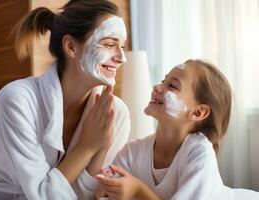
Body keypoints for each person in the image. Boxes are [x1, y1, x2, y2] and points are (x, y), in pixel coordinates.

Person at [0, 0, 130, 199]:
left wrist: (100, 151)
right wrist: (87, 147)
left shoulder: (116, 113)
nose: (122, 57)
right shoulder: (18, 100)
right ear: (71, 46)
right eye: (109, 44)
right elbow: (41, 196)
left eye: (122, 46)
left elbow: (87, 195)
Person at [95, 59, 259, 200]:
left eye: (172, 86)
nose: (157, 87)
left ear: (197, 112)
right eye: (163, 81)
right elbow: (100, 194)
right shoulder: (132, 152)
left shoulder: (198, 152)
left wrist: (138, 190)